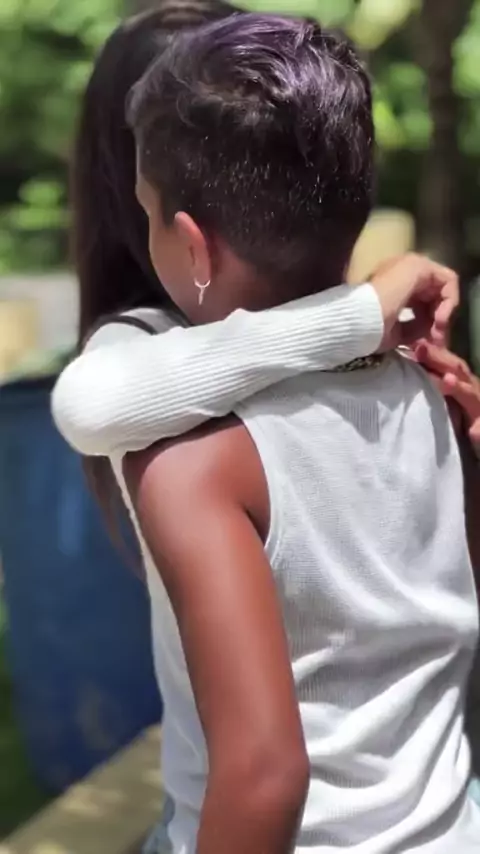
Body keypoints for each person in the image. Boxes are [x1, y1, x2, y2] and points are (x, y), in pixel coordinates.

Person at [50, 7, 479, 853]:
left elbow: (265, 776)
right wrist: (359, 315)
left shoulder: (194, 465)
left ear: (191, 243)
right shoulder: (424, 387)